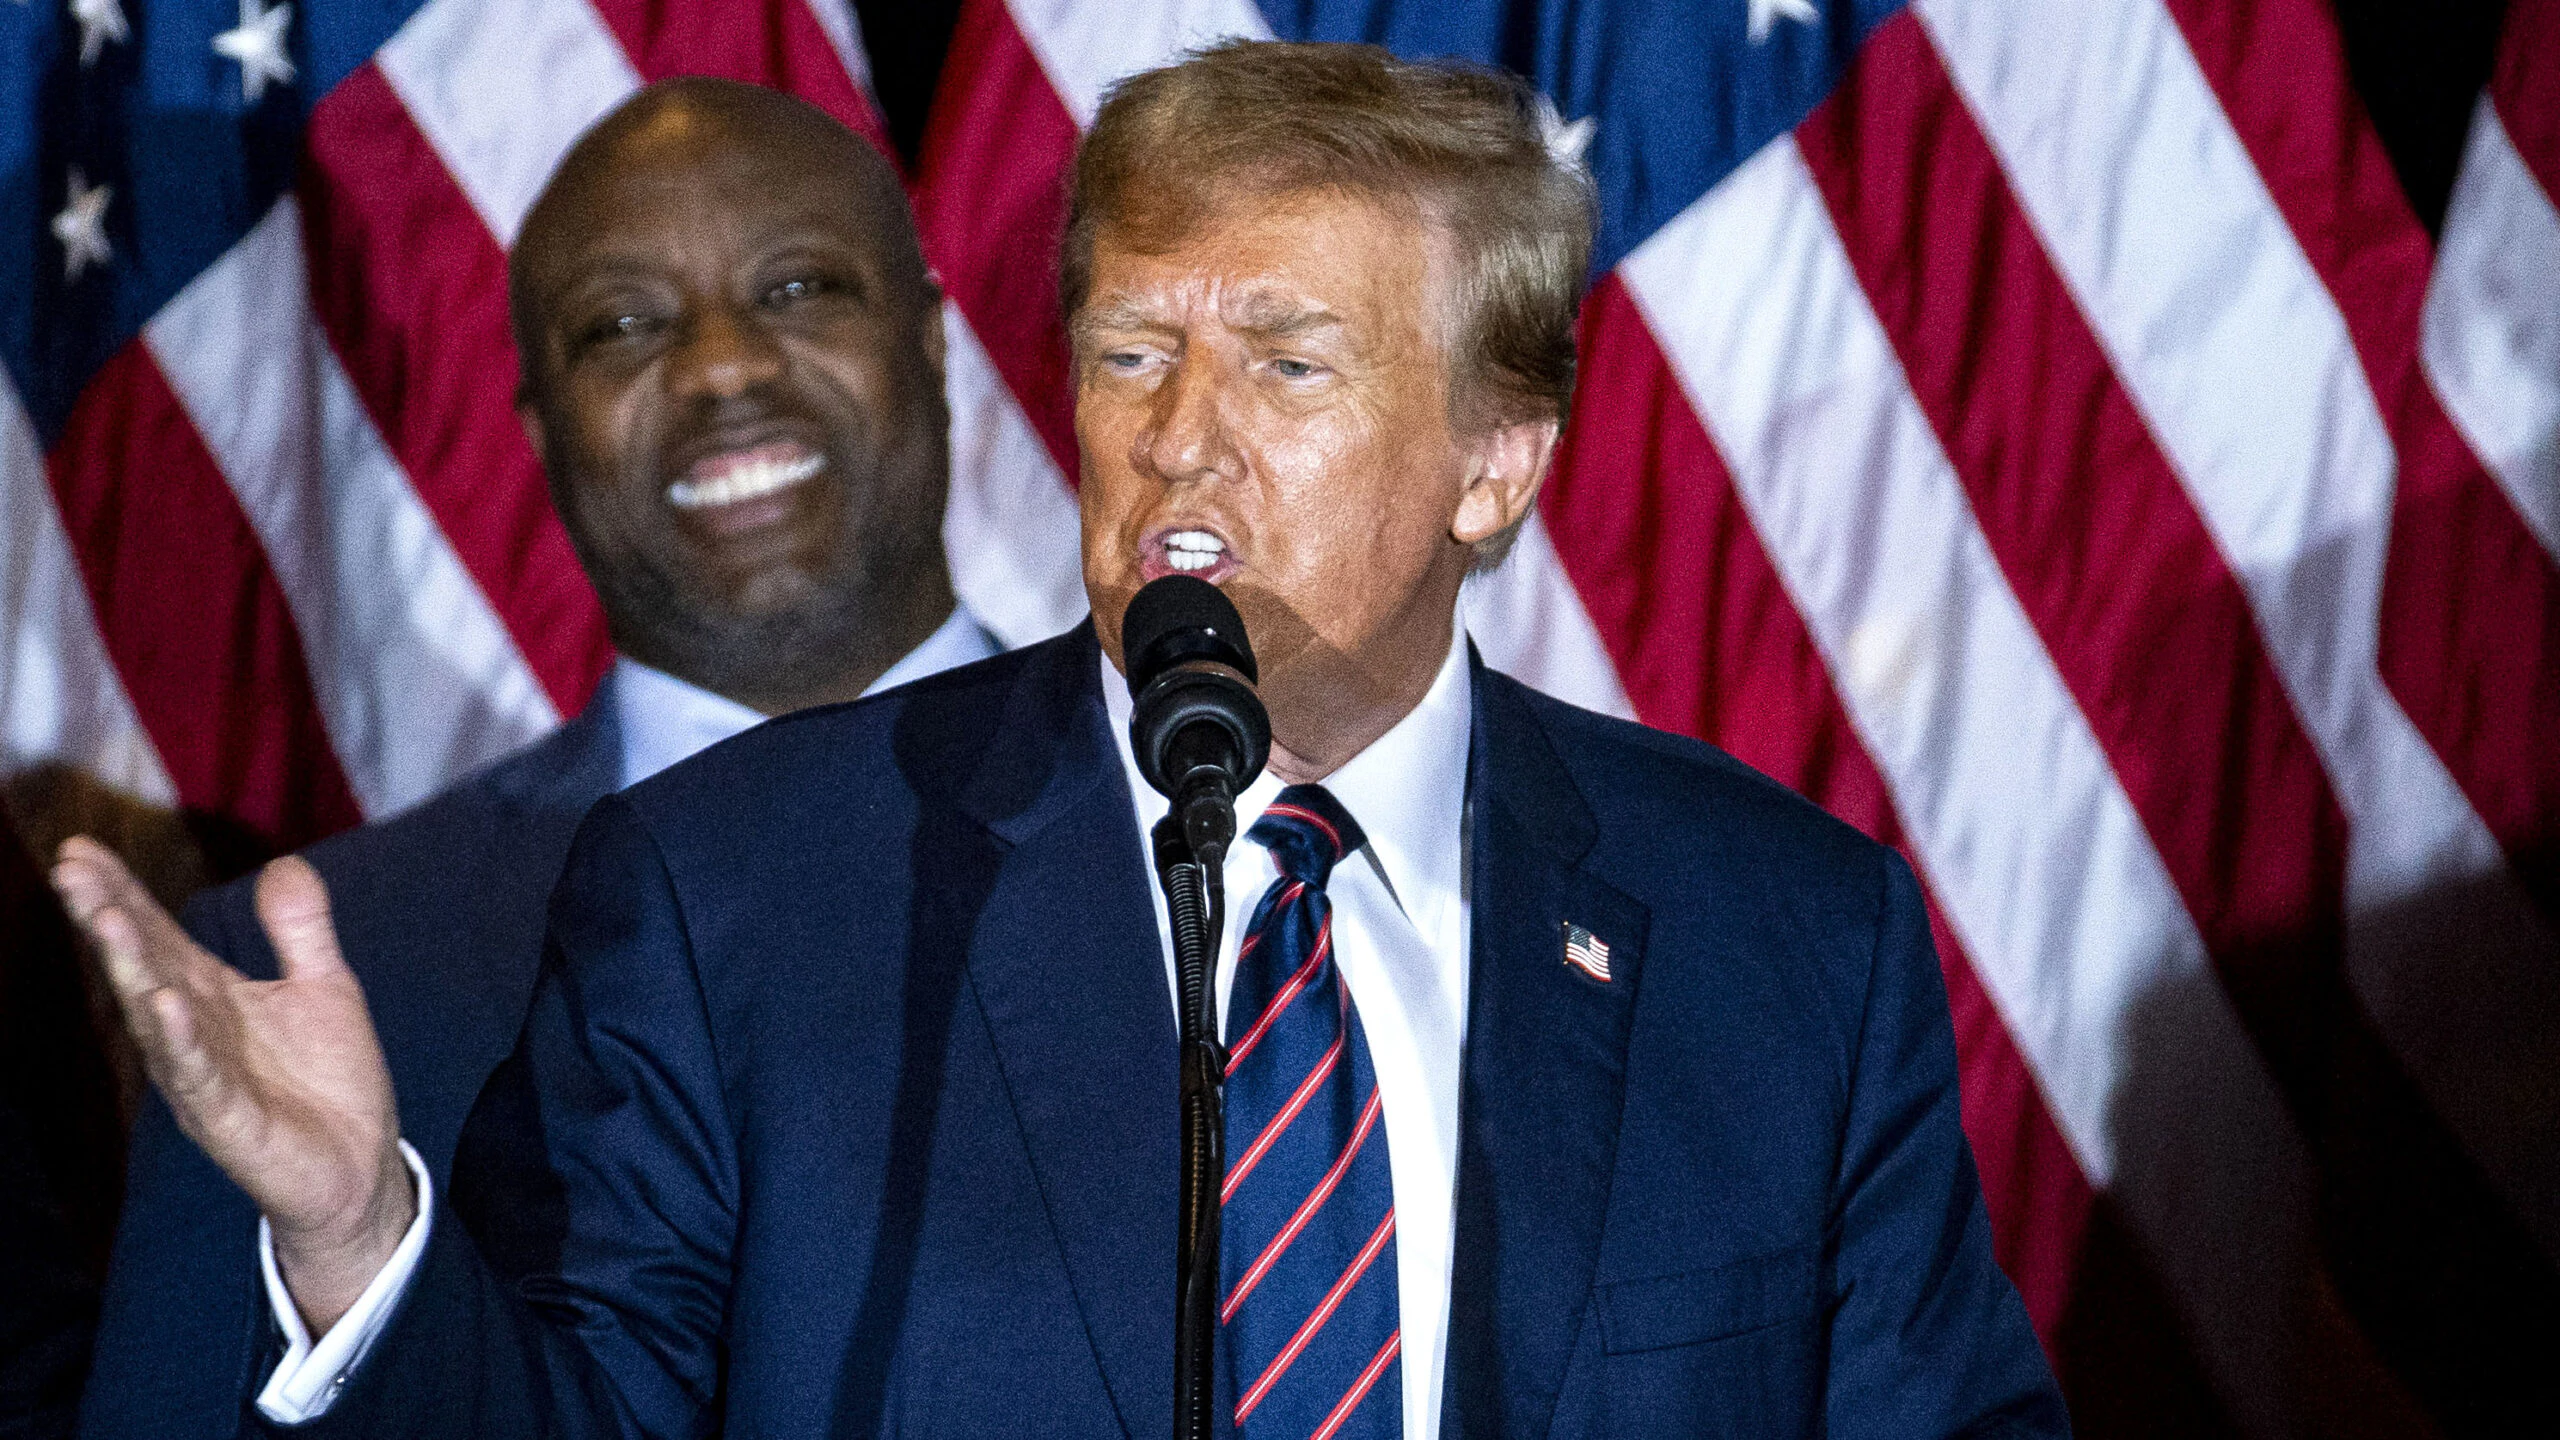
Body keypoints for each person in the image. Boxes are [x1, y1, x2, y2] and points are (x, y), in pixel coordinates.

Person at [54, 42, 2069, 1439]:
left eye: (1285, 362)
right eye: (1128, 354)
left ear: (1492, 461)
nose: (1179, 435)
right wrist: (355, 1242)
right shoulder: (735, 892)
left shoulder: (1780, 934)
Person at [69, 78, 996, 1440]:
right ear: (536, 431)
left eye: (801, 289)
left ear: (930, 341)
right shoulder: (334, 967)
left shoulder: (1256, 811)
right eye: (624, 325)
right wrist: (360, 1262)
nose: (724, 367)